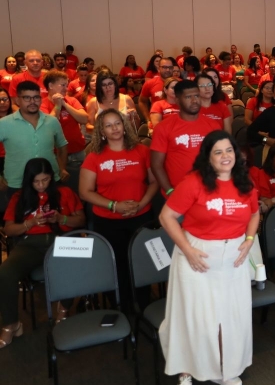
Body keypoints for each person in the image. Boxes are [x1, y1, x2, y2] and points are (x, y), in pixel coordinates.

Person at [159, 131, 260, 385]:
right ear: (208, 156)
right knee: (193, 319)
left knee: (230, 317)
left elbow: (254, 213)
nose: (225, 156)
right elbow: (166, 216)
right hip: (198, 256)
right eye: (218, 152)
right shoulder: (193, 183)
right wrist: (187, 250)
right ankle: (185, 376)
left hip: (233, 259)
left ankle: (222, 369)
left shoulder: (244, 182)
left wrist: (249, 240)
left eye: (229, 150)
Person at [0, 158, 86, 348]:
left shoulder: (64, 192)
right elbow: (9, 230)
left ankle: (63, 309)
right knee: (5, 272)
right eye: (36, 181)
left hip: (61, 241)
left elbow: (80, 220)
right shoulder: (19, 198)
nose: (41, 185)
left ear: (52, 178)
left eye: (45, 180)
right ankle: (11, 324)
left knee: (77, 261)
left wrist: (61, 218)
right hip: (30, 244)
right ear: (29, 181)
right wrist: (28, 224)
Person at [79, 108, 158, 313]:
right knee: (118, 265)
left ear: (124, 125)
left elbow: (154, 182)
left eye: (118, 123)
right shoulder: (94, 156)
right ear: (101, 131)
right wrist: (114, 205)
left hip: (141, 216)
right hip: (108, 220)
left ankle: (143, 304)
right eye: (108, 125)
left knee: (142, 261)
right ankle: (121, 307)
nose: (114, 128)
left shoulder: (141, 151)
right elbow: (85, 192)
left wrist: (141, 204)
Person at [0, 81, 69, 198]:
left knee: (52, 215)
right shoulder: (4, 123)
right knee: (20, 216)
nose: (32, 102)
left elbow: (62, 146)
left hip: (50, 181)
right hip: (17, 183)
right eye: (27, 98)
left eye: (36, 97)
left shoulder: (52, 121)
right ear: (17, 100)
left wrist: (62, 168)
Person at [150, 81, 219, 197]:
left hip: (208, 193)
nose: (194, 100)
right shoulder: (163, 128)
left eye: (196, 96)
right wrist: (169, 191)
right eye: (188, 97)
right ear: (177, 100)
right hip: (178, 194)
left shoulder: (213, 125)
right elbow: (156, 165)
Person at [40, 70, 88, 165]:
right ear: (50, 86)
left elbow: (84, 119)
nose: (66, 88)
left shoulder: (72, 100)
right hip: (55, 154)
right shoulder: (42, 104)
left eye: (66, 85)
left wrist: (64, 104)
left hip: (78, 151)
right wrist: (57, 106)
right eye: (63, 85)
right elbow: (48, 125)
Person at [87, 69, 139, 137]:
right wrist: (103, 129)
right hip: (103, 139)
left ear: (115, 84)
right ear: (99, 87)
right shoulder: (93, 102)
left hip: (126, 138)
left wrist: (135, 117)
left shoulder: (126, 99)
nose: (108, 87)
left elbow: (136, 127)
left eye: (110, 84)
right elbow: (88, 127)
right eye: (104, 85)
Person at [139, 56, 174, 123]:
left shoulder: (181, 83)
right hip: (157, 121)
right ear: (158, 68)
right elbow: (142, 102)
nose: (167, 70)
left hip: (176, 121)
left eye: (170, 67)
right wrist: (148, 119)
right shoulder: (150, 83)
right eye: (164, 67)